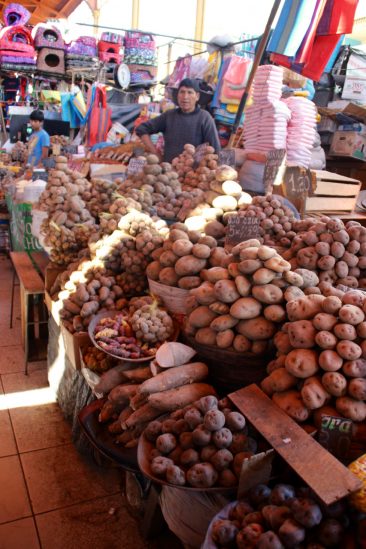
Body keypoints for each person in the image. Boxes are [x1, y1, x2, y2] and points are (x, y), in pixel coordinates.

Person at [135, 78, 221, 162]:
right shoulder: (169, 115)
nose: (185, 97)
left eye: (190, 92)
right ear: (177, 95)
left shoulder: (205, 118)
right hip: (168, 171)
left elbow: (216, 150)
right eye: (182, 92)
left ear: (197, 96)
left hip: (193, 173)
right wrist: (155, 152)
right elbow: (142, 129)